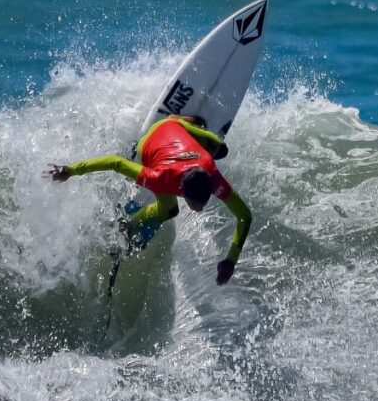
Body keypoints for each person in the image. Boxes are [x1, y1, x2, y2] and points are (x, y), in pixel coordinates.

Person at [45, 115, 252, 286]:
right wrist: (70, 170)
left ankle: (186, 122)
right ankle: (129, 224)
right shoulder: (159, 178)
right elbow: (115, 162)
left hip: (177, 128)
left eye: (203, 202)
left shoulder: (212, 173)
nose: (198, 210)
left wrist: (231, 260)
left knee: (221, 150)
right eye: (195, 204)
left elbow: (245, 216)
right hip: (152, 140)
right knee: (170, 211)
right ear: (182, 191)